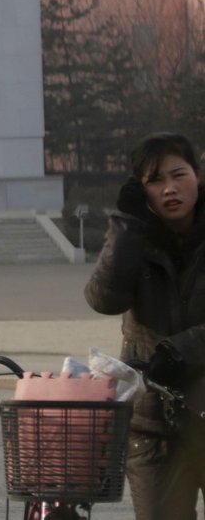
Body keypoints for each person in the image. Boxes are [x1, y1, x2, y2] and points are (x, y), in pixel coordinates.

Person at [84, 132, 205, 519]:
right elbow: (105, 299)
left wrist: (179, 350)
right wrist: (125, 226)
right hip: (153, 424)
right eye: (155, 181)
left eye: (178, 174)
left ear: (198, 175)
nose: (170, 189)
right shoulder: (134, 235)